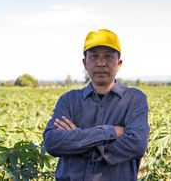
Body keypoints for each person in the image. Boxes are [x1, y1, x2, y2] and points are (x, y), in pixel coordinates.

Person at [43, 29, 150, 180]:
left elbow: (136, 145)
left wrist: (78, 141)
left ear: (119, 64)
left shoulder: (134, 99)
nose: (101, 63)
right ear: (85, 63)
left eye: (108, 56)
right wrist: (111, 132)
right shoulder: (69, 100)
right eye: (94, 56)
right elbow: (52, 142)